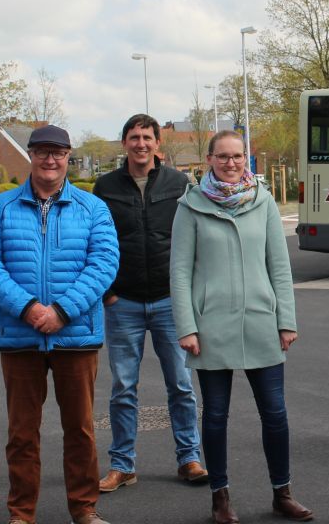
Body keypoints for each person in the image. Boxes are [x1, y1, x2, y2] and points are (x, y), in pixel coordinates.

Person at [0, 124, 119, 524]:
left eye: (57, 152)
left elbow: (104, 264)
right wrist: (29, 309)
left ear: (68, 156)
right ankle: (21, 513)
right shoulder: (1, 208)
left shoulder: (93, 209)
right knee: (22, 434)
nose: (50, 160)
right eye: (42, 152)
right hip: (20, 336)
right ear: (31, 156)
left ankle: (85, 510)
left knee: (81, 431)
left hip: (76, 336)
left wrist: (62, 311)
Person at [171, 130, 313, 524]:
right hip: (210, 326)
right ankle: (220, 497)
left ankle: (282, 493)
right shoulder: (191, 205)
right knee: (215, 415)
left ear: (245, 159)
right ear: (209, 159)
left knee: (275, 413)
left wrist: (286, 319)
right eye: (223, 156)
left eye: (237, 156)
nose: (231, 163)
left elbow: (279, 267)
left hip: (261, 322)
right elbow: (179, 273)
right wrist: (187, 326)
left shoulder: (263, 201)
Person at [92, 114, 205, 493]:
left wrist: (188, 292)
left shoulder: (179, 183)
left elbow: (192, 238)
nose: (140, 143)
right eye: (133, 137)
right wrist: (106, 292)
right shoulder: (104, 187)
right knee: (123, 387)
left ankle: (189, 458)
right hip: (121, 302)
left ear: (158, 143)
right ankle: (122, 465)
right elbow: (96, 242)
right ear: (124, 142)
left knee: (181, 384)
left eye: (147, 137)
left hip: (169, 301)